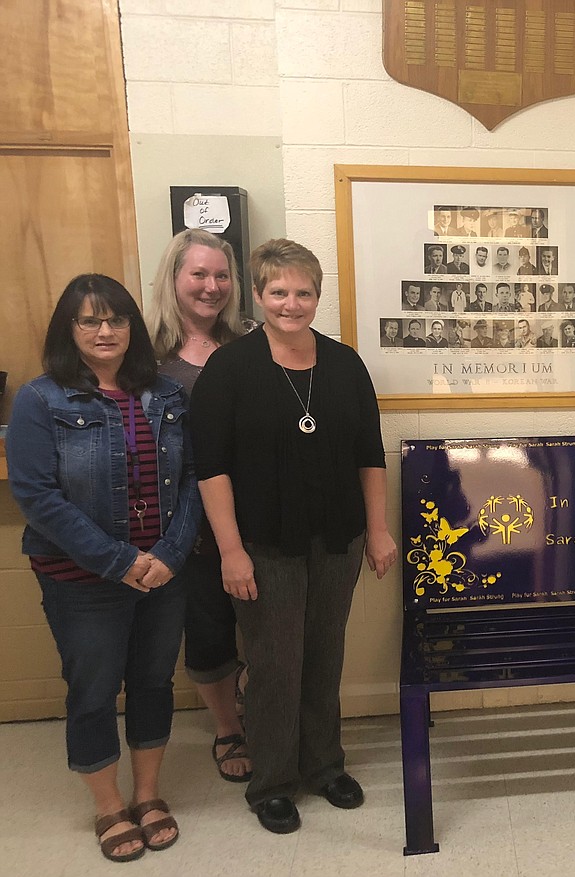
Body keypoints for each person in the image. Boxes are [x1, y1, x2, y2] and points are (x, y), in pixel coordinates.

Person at [190, 239, 397, 835]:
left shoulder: (345, 364)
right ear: (257, 295)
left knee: (324, 657)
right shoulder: (229, 370)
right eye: (278, 291)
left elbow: (368, 454)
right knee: (275, 663)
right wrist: (230, 549)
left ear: (318, 296)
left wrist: (378, 530)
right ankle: (273, 781)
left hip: (338, 539)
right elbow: (212, 468)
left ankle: (324, 765)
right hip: (262, 544)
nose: (291, 302)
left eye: (303, 291)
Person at [7, 274, 201, 862]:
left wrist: (168, 554)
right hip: (82, 579)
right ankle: (107, 806)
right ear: (69, 330)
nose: (104, 331)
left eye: (116, 319)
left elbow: (195, 477)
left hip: (163, 575)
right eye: (88, 320)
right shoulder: (41, 400)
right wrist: (119, 561)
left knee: (152, 681)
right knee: (92, 691)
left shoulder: (166, 394)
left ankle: (147, 795)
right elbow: (37, 496)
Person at [147, 229, 255, 784]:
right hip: (185, 525)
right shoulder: (147, 358)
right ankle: (227, 728)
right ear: (174, 279)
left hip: (254, 515)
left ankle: (266, 713)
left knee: (264, 626)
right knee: (208, 627)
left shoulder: (253, 345)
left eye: (221, 276)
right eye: (199, 274)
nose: (212, 287)